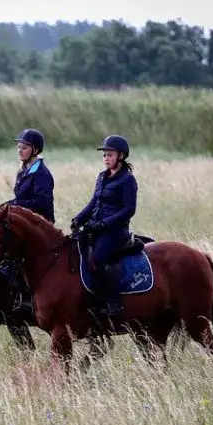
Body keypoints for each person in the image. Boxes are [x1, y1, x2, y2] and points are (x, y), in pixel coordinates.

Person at [71, 135, 138, 317]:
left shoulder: (127, 180)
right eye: (105, 155)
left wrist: (103, 224)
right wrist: (79, 219)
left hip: (115, 232)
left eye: (110, 155)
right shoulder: (102, 177)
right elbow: (94, 203)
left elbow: (128, 210)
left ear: (121, 156)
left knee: (96, 261)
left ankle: (113, 302)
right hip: (96, 228)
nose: (106, 158)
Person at [1, 128, 56, 315]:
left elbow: (42, 202)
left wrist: (15, 203)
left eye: (24, 147)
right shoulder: (24, 170)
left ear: (35, 150)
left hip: (40, 226)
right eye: (19, 147)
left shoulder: (41, 173)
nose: (19, 150)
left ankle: (26, 298)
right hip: (26, 224)